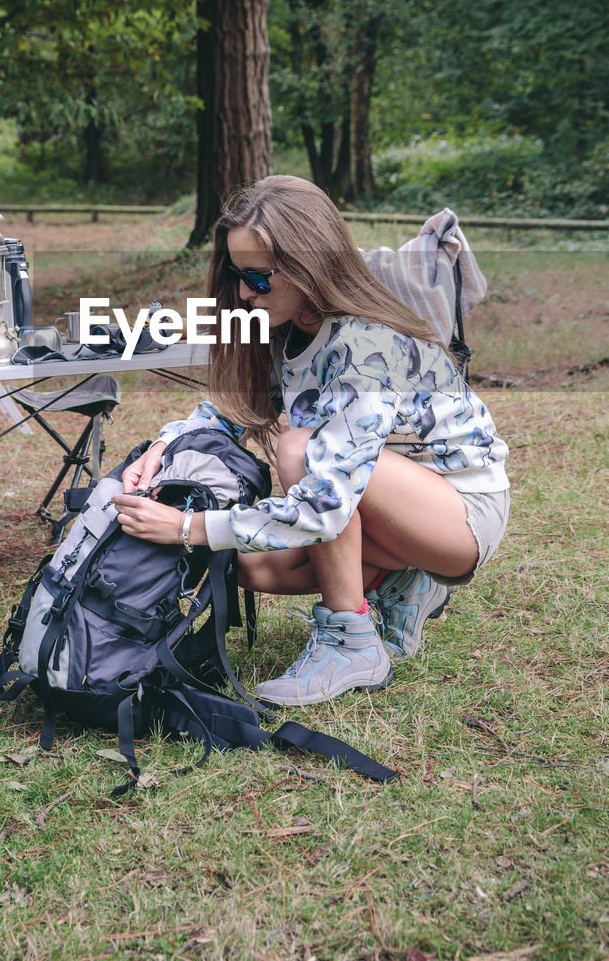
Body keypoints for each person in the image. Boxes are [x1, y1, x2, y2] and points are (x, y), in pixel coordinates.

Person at [112, 175, 510, 706]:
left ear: (307, 268)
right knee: (252, 565)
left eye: (257, 277)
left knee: (299, 449)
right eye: (235, 274)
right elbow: (234, 407)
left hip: (459, 511)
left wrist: (188, 526)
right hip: (383, 494)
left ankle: (352, 643)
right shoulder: (284, 324)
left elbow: (323, 503)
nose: (242, 292)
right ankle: (401, 583)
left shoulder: (363, 344)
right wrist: (164, 447)